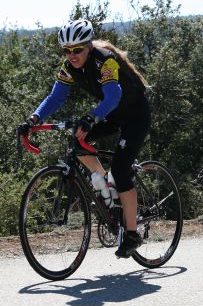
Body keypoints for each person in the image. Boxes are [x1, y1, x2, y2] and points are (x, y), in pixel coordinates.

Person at [17, 18, 151, 258]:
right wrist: (34, 119)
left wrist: (91, 117)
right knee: (77, 143)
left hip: (134, 115)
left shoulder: (105, 60)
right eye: (67, 50)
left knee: (121, 170)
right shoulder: (68, 68)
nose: (72, 55)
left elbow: (113, 95)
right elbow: (55, 98)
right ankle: (106, 188)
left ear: (88, 46)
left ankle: (132, 233)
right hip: (111, 114)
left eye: (77, 49)